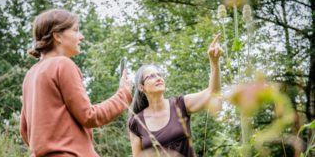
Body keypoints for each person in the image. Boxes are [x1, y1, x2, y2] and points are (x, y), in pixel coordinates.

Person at [19, 9, 133, 157]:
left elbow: (24, 129)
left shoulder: (31, 74)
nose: (81, 37)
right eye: (76, 30)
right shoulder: (63, 64)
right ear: (57, 36)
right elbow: (89, 116)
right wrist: (123, 94)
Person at [128, 35, 222, 157]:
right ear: (142, 87)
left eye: (159, 75)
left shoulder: (180, 104)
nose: (158, 78)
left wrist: (214, 62)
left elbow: (213, 93)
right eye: (151, 76)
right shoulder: (136, 123)